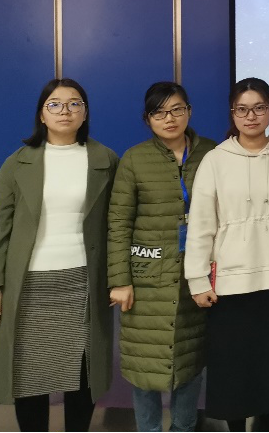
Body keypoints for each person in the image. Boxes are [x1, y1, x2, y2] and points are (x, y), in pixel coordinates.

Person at [0, 78, 118, 432]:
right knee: (29, 374)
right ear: (41, 115)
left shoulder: (105, 159)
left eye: (75, 103)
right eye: (54, 104)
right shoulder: (17, 163)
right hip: (30, 284)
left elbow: (118, 224)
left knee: (82, 373)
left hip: (83, 281)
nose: (65, 111)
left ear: (85, 113)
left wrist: (119, 277)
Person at [184, 78, 269, 432]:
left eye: (259, 108)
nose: (251, 116)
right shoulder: (215, 159)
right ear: (232, 113)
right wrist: (197, 279)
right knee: (233, 371)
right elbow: (202, 223)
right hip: (230, 285)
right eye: (242, 109)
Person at [107, 82, 216, 433]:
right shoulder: (134, 159)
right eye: (159, 112)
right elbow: (118, 223)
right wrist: (120, 280)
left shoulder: (212, 153)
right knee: (144, 364)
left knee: (190, 360)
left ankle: (184, 427)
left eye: (177, 109)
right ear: (147, 119)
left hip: (197, 275)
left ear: (189, 111)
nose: (169, 119)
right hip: (147, 278)